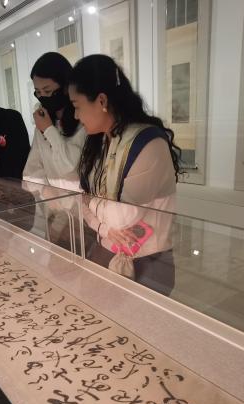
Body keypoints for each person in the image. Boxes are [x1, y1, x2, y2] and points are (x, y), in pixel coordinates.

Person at [69, 54, 182, 295]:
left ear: (101, 100)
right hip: (104, 252)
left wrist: (90, 201)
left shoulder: (147, 143)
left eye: (77, 106)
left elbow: (121, 218)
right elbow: (80, 203)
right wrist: (103, 228)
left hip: (148, 265)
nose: (76, 116)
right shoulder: (101, 141)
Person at [23, 52, 86, 192]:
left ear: (66, 87)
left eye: (47, 91)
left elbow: (69, 167)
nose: (43, 97)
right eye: (38, 92)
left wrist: (49, 130)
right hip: (52, 204)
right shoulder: (43, 121)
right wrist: (45, 191)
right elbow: (32, 171)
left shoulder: (83, 121)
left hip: (80, 202)